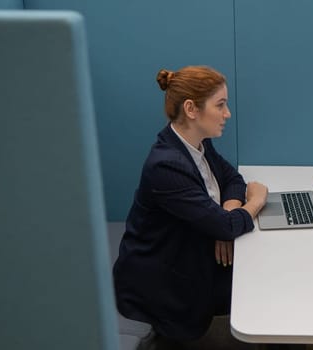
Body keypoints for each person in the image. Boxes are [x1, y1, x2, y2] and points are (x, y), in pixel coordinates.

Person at [112, 65, 268, 345]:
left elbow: (232, 179)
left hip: (188, 251)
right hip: (161, 282)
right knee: (262, 283)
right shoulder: (167, 165)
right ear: (191, 109)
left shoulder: (198, 143)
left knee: (264, 268)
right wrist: (254, 201)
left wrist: (229, 211)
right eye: (220, 105)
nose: (227, 113)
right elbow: (228, 224)